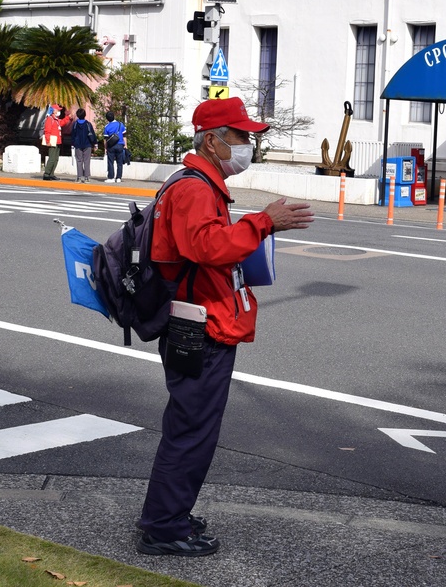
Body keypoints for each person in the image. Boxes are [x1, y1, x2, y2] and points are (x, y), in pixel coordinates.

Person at [136, 97, 314, 557]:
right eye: (241, 136)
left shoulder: (199, 183)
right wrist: (263, 222)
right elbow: (207, 248)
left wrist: (260, 227)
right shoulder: (195, 189)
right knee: (192, 429)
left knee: (191, 425)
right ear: (213, 141)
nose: (248, 144)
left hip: (200, 319)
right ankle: (163, 526)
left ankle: (169, 514)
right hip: (200, 326)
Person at [41, 104, 68, 181]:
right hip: (52, 141)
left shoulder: (57, 120)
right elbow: (47, 131)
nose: (59, 111)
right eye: (58, 110)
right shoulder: (50, 119)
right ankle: (46, 174)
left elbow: (62, 123)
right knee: (52, 158)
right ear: (53, 111)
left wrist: (68, 118)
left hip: (57, 141)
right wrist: (48, 140)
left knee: (56, 159)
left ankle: (51, 174)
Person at [70, 108, 97, 183]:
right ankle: (87, 177)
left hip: (78, 145)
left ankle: (79, 177)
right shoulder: (88, 124)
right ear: (85, 115)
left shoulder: (75, 124)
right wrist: (95, 143)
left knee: (79, 161)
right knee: (87, 161)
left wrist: (72, 144)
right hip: (87, 144)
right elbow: (92, 134)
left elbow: (72, 135)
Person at [102, 111, 127, 184]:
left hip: (111, 146)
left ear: (107, 119)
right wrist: (125, 145)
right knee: (119, 162)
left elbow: (106, 140)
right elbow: (124, 136)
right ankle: (118, 177)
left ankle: (111, 177)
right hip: (120, 145)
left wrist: (105, 149)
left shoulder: (107, 127)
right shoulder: (121, 124)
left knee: (110, 162)